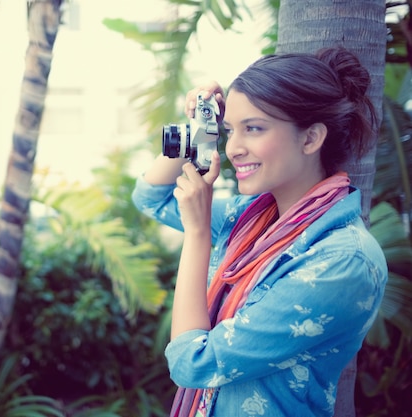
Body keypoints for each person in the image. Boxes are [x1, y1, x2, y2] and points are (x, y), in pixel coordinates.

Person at [131, 46, 388, 417]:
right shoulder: (251, 219)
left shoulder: (343, 261)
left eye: (253, 128)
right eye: (229, 130)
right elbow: (151, 197)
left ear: (311, 138)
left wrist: (198, 234)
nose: (233, 148)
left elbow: (193, 363)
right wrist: (198, 127)